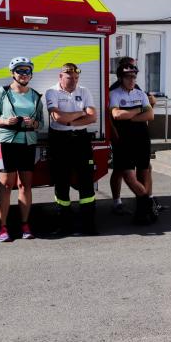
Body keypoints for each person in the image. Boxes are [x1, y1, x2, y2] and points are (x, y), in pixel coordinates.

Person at [0, 57, 45, 242]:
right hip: (6, 143)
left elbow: (41, 123)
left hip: (27, 143)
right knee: (5, 185)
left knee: (25, 185)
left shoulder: (36, 96)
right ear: (12, 73)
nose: (24, 74)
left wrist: (33, 123)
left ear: (31, 74)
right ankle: (2, 228)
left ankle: (25, 225)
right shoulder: (2, 92)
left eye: (27, 71)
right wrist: (6, 121)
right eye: (20, 70)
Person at [45, 62, 98, 236]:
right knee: (61, 182)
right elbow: (58, 117)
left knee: (86, 183)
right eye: (70, 78)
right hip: (59, 141)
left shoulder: (84, 91)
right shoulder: (51, 92)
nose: (74, 81)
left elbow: (92, 118)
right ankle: (64, 225)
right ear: (60, 77)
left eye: (76, 78)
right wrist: (81, 113)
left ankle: (89, 225)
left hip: (81, 140)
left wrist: (70, 122)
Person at [108, 58, 157, 225]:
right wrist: (139, 110)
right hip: (124, 141)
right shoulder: (114, 93)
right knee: (128, 176)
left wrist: (129, 116)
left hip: (142, 138)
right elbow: (116, 115)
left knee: (144, 172)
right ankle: (147, 203)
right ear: (121, 78)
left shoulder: (140, 93)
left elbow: (150, 115)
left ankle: (142, 211)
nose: (132, 80)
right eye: (128, 77)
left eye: (134, 77)